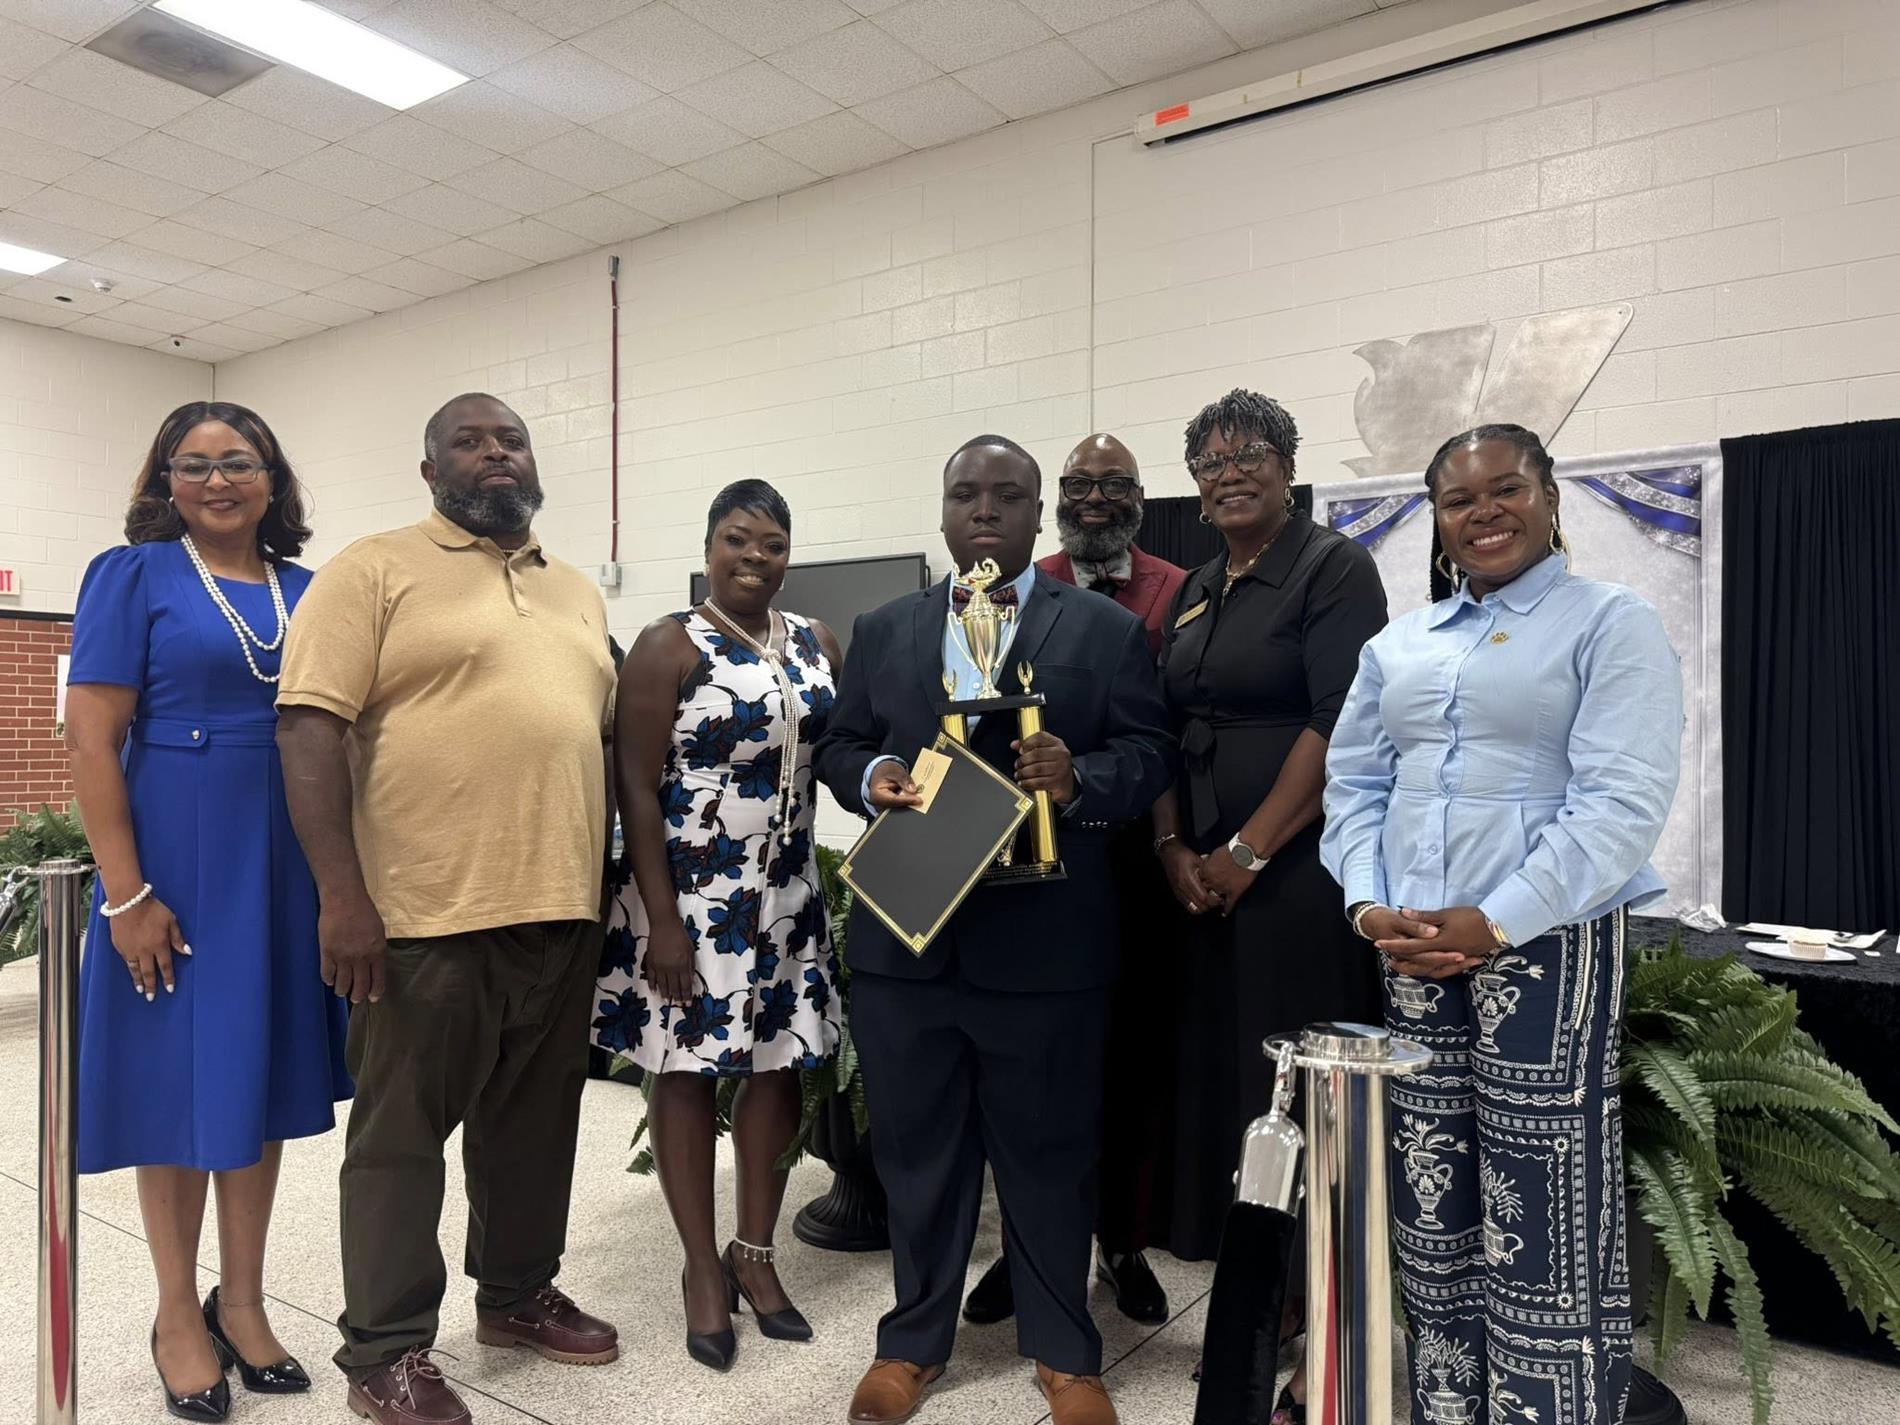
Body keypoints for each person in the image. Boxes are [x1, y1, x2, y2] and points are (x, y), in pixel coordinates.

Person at [1321, 423, 1682, 1425]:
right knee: (1431, 1191)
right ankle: (1449, 1400)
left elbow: (1621, 801)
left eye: (1504, 489)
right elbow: (1353, 785)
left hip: (1547, 943)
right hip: (1407, 946)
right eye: (1457, 499)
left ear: (1548, 495)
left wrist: (1496, 920)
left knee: (1541, 1192)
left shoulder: (1609, 623)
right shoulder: (1398, 643)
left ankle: (1549, 1407)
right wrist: (1365, 902)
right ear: (1434, 518)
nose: (1482, 513)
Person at [815, 434, 1174, 1425]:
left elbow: (1150, 755)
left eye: (1007, 496)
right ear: (941, 512)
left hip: (1048, 946)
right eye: (966, 494)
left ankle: (1064, 1352)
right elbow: (840, 745)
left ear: (1035, 514)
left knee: (1050, 1155)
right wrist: (865, 780)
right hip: (907, 944)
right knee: (917, 1154)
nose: (985, 510)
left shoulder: (1102, 630)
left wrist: (1082, 777)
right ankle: (914, 1344)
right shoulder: (886, 629)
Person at [276, 393, 619, 1425]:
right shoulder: (373, 569)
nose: (494, 454)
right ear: (430, 472)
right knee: (398, 1143)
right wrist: (342, 898)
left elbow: (588, 739)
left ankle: (514, 1297)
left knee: (534, 1128)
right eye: (468, 442)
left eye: (509, 438)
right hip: (422, 918)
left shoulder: (573, 592)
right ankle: (383, 1350)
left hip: (558, 909)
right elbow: (305, 731)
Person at [63, 401, 350, 1422]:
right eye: (194, 464)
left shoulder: (311, 591)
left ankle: (245, 1299)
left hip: (282, 859)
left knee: (258, 1081)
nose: (217, 480)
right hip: (176, 861)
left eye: (238, 462)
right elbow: (91, 740)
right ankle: (177, 1311)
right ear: (164, 481)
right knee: (181, 1094)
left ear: (273, 479)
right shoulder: (130, 575)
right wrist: (126, 895)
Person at [1150, 389, 1387, 1423]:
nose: (1227, 471)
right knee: (1227, 1085)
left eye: (1248, 454)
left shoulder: (1333, 568)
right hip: (1200, 882)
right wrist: (1172, 847)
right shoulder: (1199, 585)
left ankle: (1302, 1307)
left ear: (1288, 465)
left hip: (1293, 877)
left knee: (1290, 1093)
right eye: (1208, 460)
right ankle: (1244, 1296)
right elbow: (1158, 719)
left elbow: (1345, 721)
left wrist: (1247, 849)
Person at [592, 478, 843, 1371]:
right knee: (689, 1070)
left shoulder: (816, 641)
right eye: (739, 539)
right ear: (709, 546)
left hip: (784, 897)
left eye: (772, 544)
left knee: (778, 1068)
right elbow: (634, 784)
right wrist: (661, 917)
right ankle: (702, 1266)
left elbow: (839, 755)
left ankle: (756, 1251)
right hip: (692, 899)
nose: (755, 557)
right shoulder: (669, 643)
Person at [962, 433, 1187, 1330]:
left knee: (1124, 1067)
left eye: (1115, 485)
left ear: (1140, 496)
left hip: (1129, 860)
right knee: (1029, 1076)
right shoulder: (1016, 580)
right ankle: (1026, 1251)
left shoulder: (1177, 588)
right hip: (1018, 870)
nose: (1096, 499)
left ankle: (1121, 1244)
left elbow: (1161, 734)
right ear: (1055, 496)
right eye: (1079, 485)